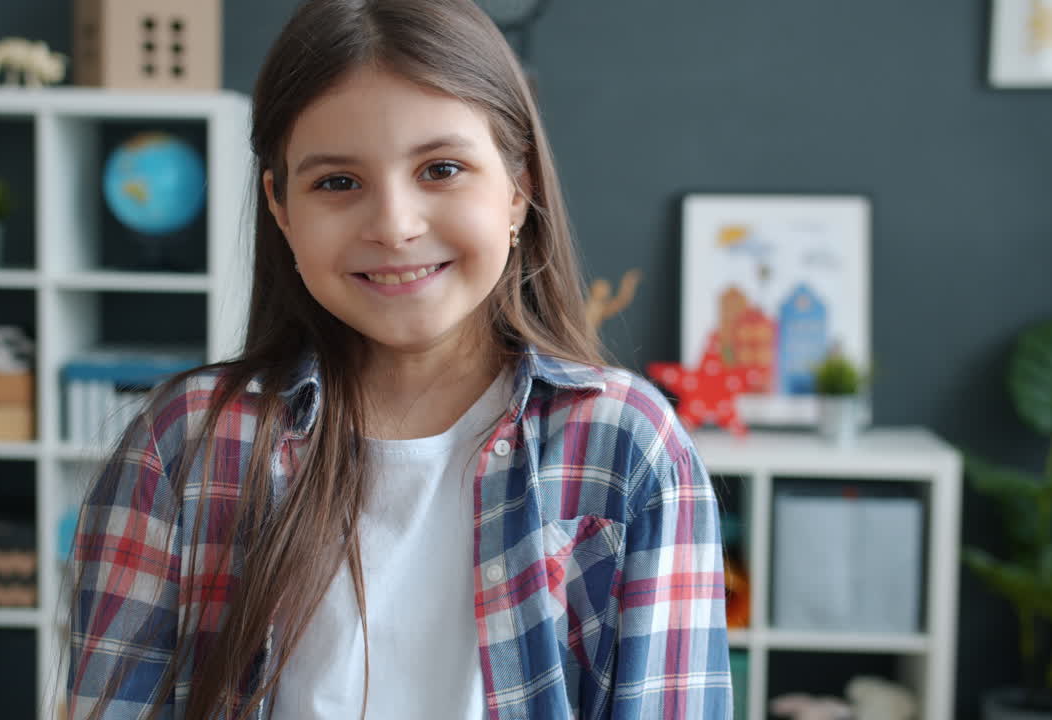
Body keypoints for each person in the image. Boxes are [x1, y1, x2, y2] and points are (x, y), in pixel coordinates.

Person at [66, 0, 732, 718]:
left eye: (441, 169)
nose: (393, 225)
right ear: (281, 208)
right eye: (337, 182)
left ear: (520, 187)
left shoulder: (627, 448)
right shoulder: (184, 445)